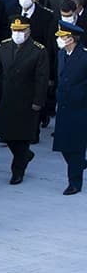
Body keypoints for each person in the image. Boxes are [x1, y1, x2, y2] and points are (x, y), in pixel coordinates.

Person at [0, 15, 48, 184]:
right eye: (15, 30)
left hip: (26, 100)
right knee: (6, 134)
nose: (17, 33)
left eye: (21, 30)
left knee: (22, 138)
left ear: (29, 30)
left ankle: (18, 170)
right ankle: (25, 156)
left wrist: (38, 101)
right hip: (7, 99)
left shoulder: (39, 50)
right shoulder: (4, 46)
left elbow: (42, 78)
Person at [53, 23, 87, 194]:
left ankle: (74, 182)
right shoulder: (61, 54)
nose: (59, 39)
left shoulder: (84, 56)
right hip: (64, 106)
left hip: (79, 108)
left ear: (71, 38)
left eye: (62, 36)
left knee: (76, 147)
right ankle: (80, 164)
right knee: (64, 146)